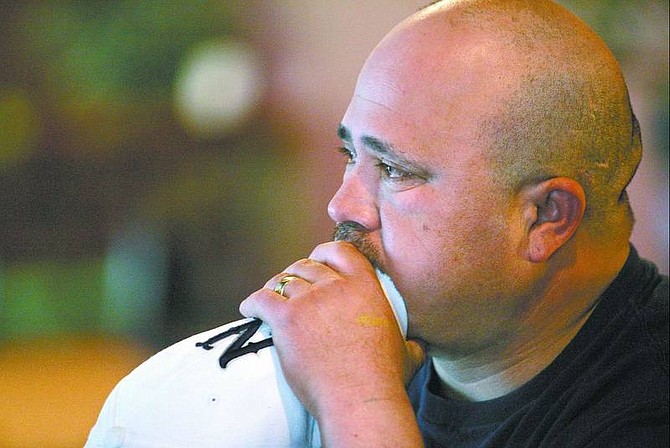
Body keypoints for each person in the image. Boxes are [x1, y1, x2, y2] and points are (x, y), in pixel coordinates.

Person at [87, 0, 668, 446]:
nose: (344, 207)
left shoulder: (646, 406)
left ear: (544, 218)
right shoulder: (364, 362)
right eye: (350, 156)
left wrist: (356, 399)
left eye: (392, 169)